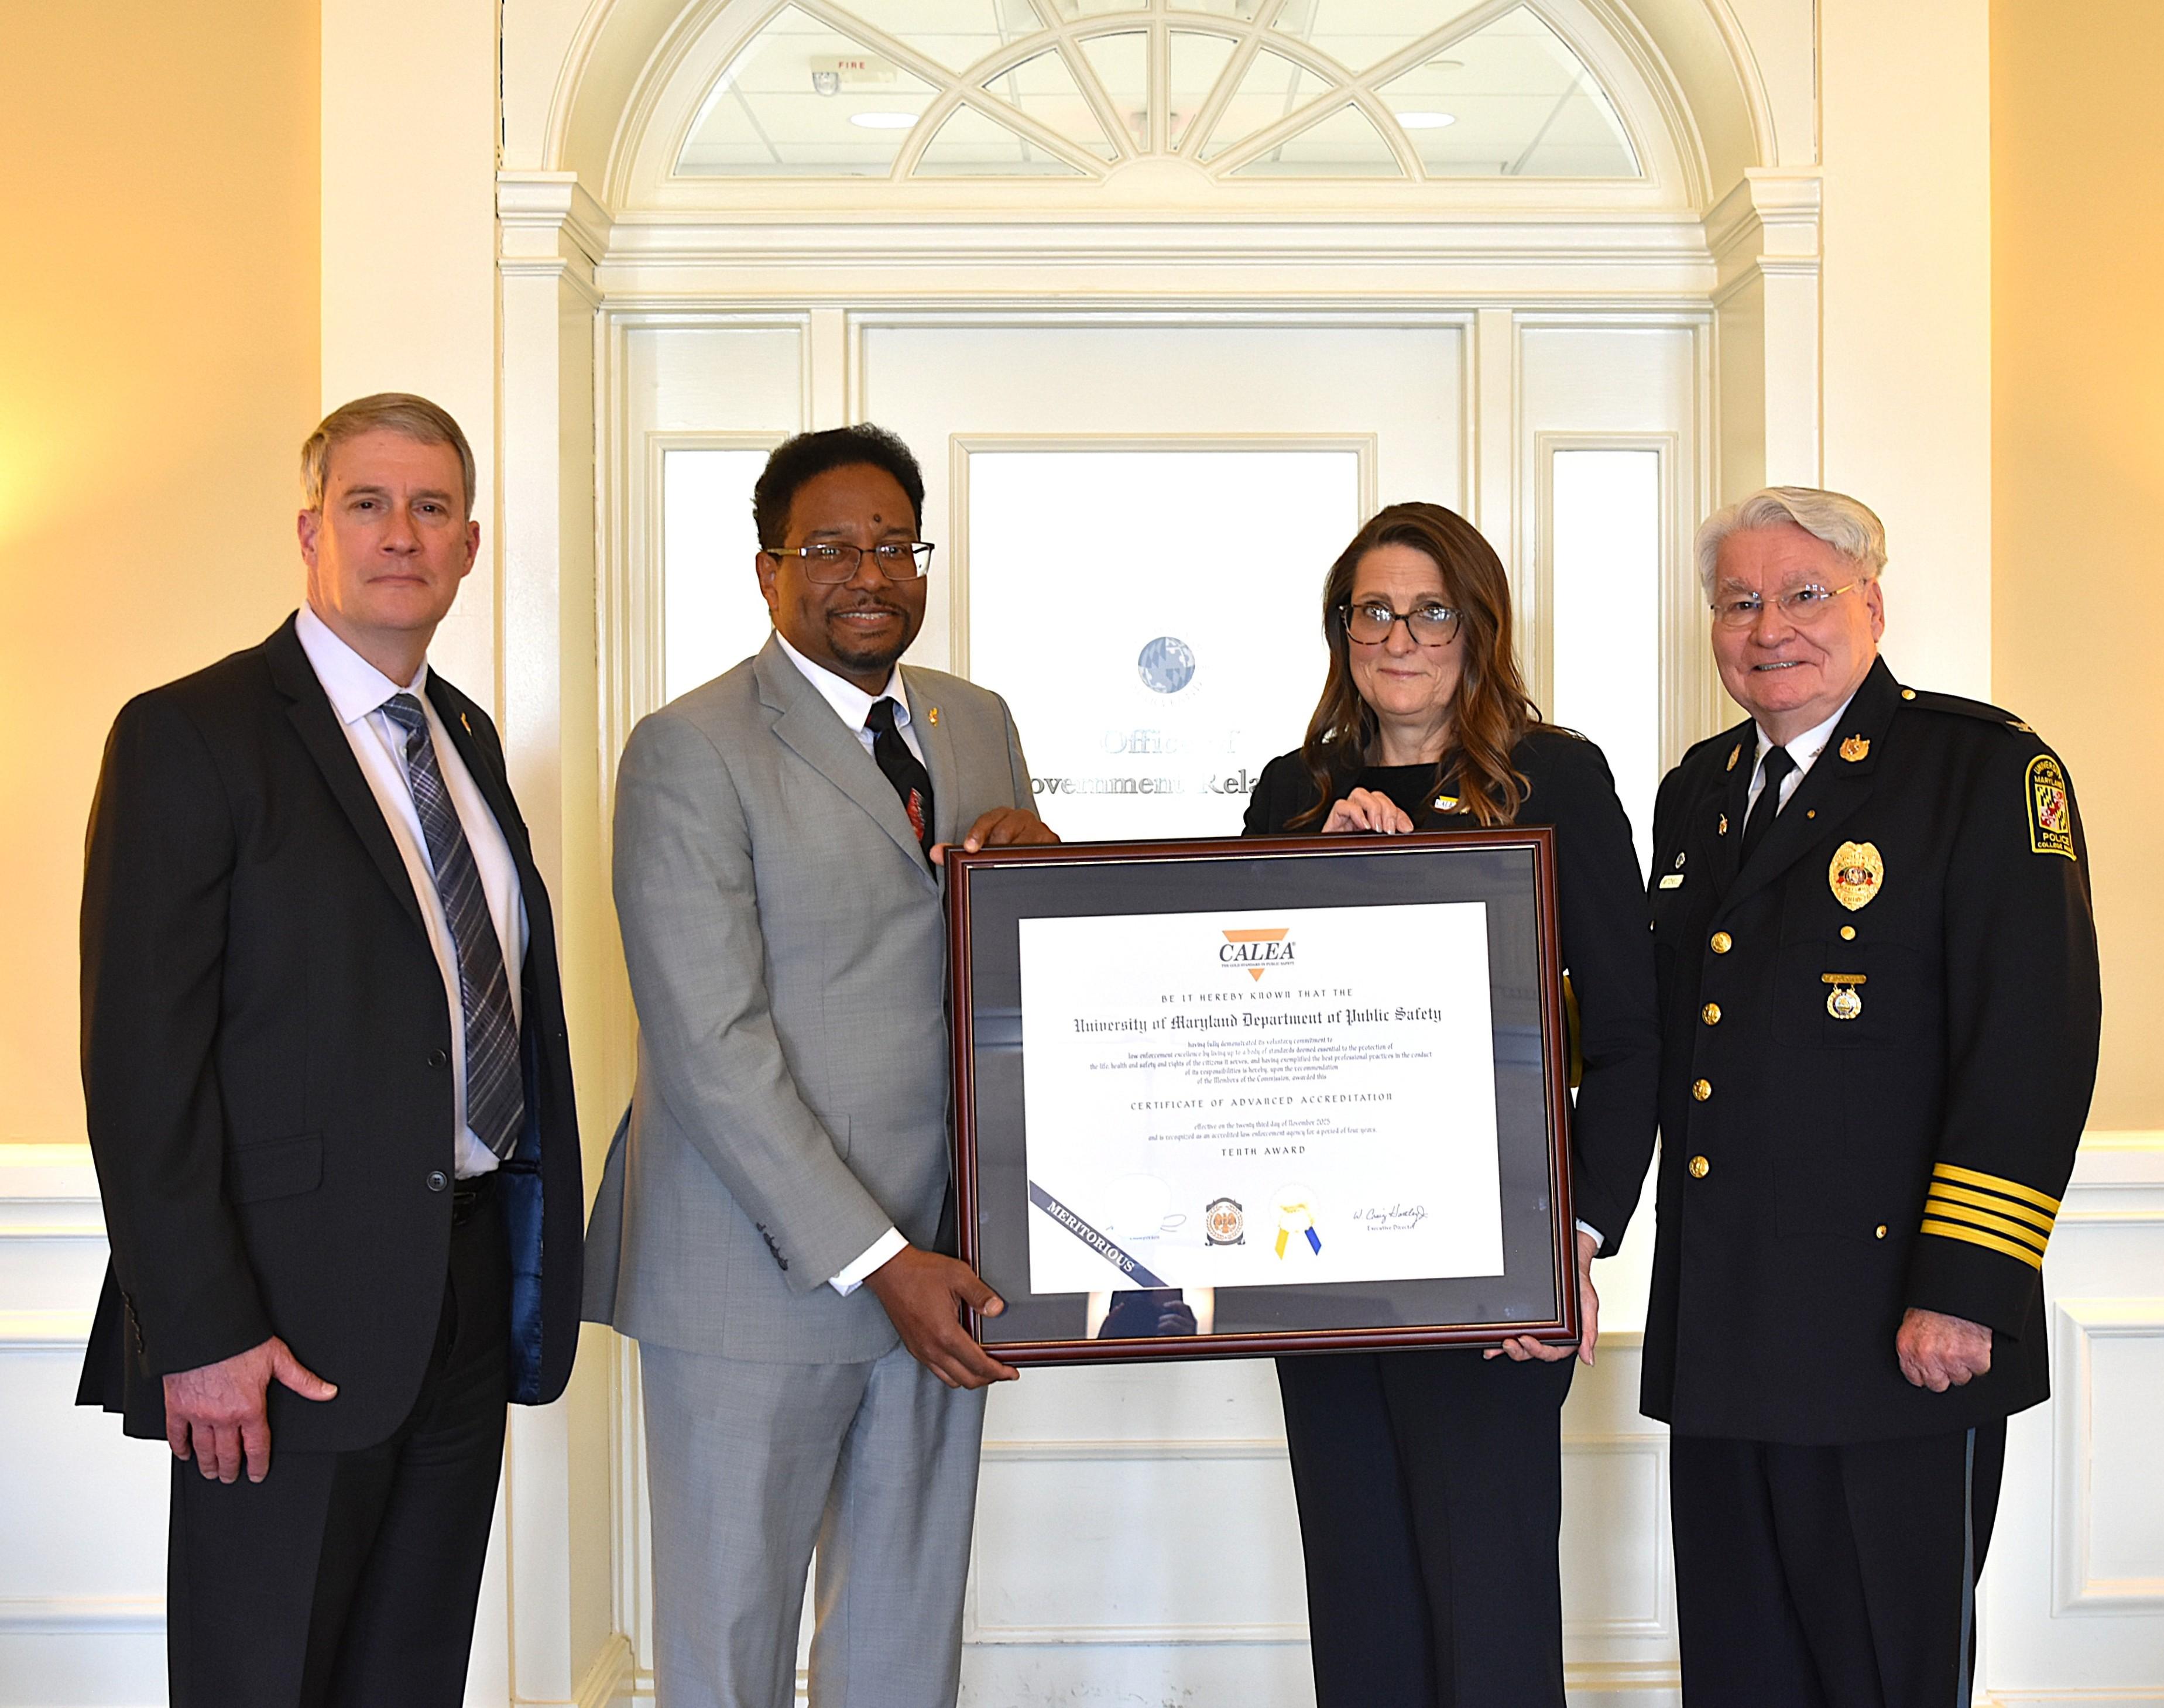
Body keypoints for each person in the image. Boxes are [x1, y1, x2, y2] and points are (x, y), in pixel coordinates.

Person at [75, 393, 585, 1706]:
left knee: (408, 1677)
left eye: (430, 509)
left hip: (465, 1294)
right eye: (367, 503)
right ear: (311, 530)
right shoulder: (192, 733)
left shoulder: (463, 739)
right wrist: (200, 1327)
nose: (399, 534)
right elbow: (143, 1063)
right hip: (278, 1327)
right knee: (268, 1677)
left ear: (470, 546)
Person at [584, 423, 1058, 1708]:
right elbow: (710, 1046)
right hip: (752, 1276)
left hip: (951, 1256)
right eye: (831, 547)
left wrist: (1041, 870)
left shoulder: (977, 724)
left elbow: (1002, 987)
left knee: (902, 1642)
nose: (870, 572)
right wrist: (880, 1260)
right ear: (766, 570)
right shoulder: (689, 749)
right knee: (729, 1642)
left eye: (896, 544)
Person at [1645, 486, 2100, 1706]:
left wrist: (1964, 1289)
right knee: (1741, 1673)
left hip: (1897, 1336)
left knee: (1884, 1674)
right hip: (1727, 1332)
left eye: (1803, 594)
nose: (1767, 626)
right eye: (1737, 600)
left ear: (1871, 604)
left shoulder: (1983, 769)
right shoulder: (1696, 792)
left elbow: (2032, 1046)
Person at [1243, 500, 1659, 1706]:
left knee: (1490, 1606)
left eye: (1428, 608)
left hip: (1492, 1274)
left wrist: (1568, 1243)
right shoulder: (1292, 788)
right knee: (1362, 1604)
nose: (1399, 633)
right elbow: (1245, 1019)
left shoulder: (1555, 777)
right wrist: (1318, 861)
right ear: (1341, 631)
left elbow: (1628, 1034)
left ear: (1475, 625)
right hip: (1313, 1267)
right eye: (1371, 609)